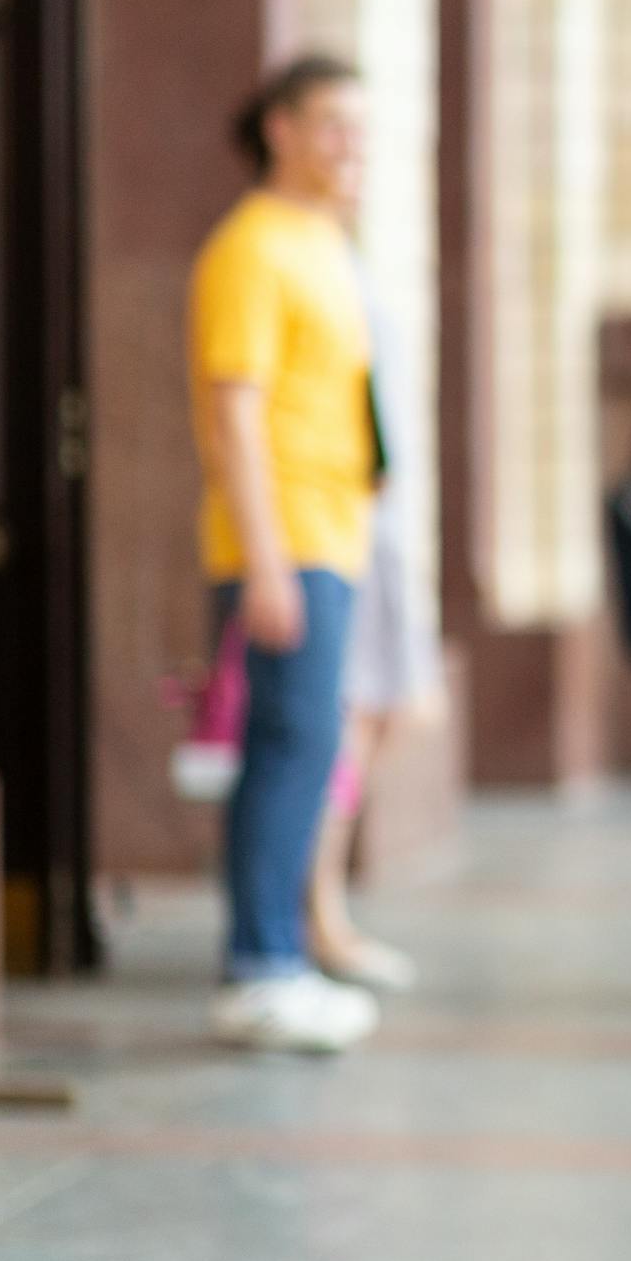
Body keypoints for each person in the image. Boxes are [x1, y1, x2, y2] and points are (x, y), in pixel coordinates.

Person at [188, 54, 384, 1053]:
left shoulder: (320, 241)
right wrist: (264, 560)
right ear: (280, 129)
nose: (352, 144)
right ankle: (261, 965)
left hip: (329, 537)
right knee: (286, 751)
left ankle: (278, 958)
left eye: (361, 125)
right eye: (331, 124)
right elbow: (234, 410)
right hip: (284, 542)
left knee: (304, 751)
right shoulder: (252, 248)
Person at [306, 151, 442, 993]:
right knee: (341, 723)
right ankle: (317, 910)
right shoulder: (305, 267)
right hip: (339, 522)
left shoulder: (344, 263)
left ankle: (319, 905)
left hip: (376, 521)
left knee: (374, 717)